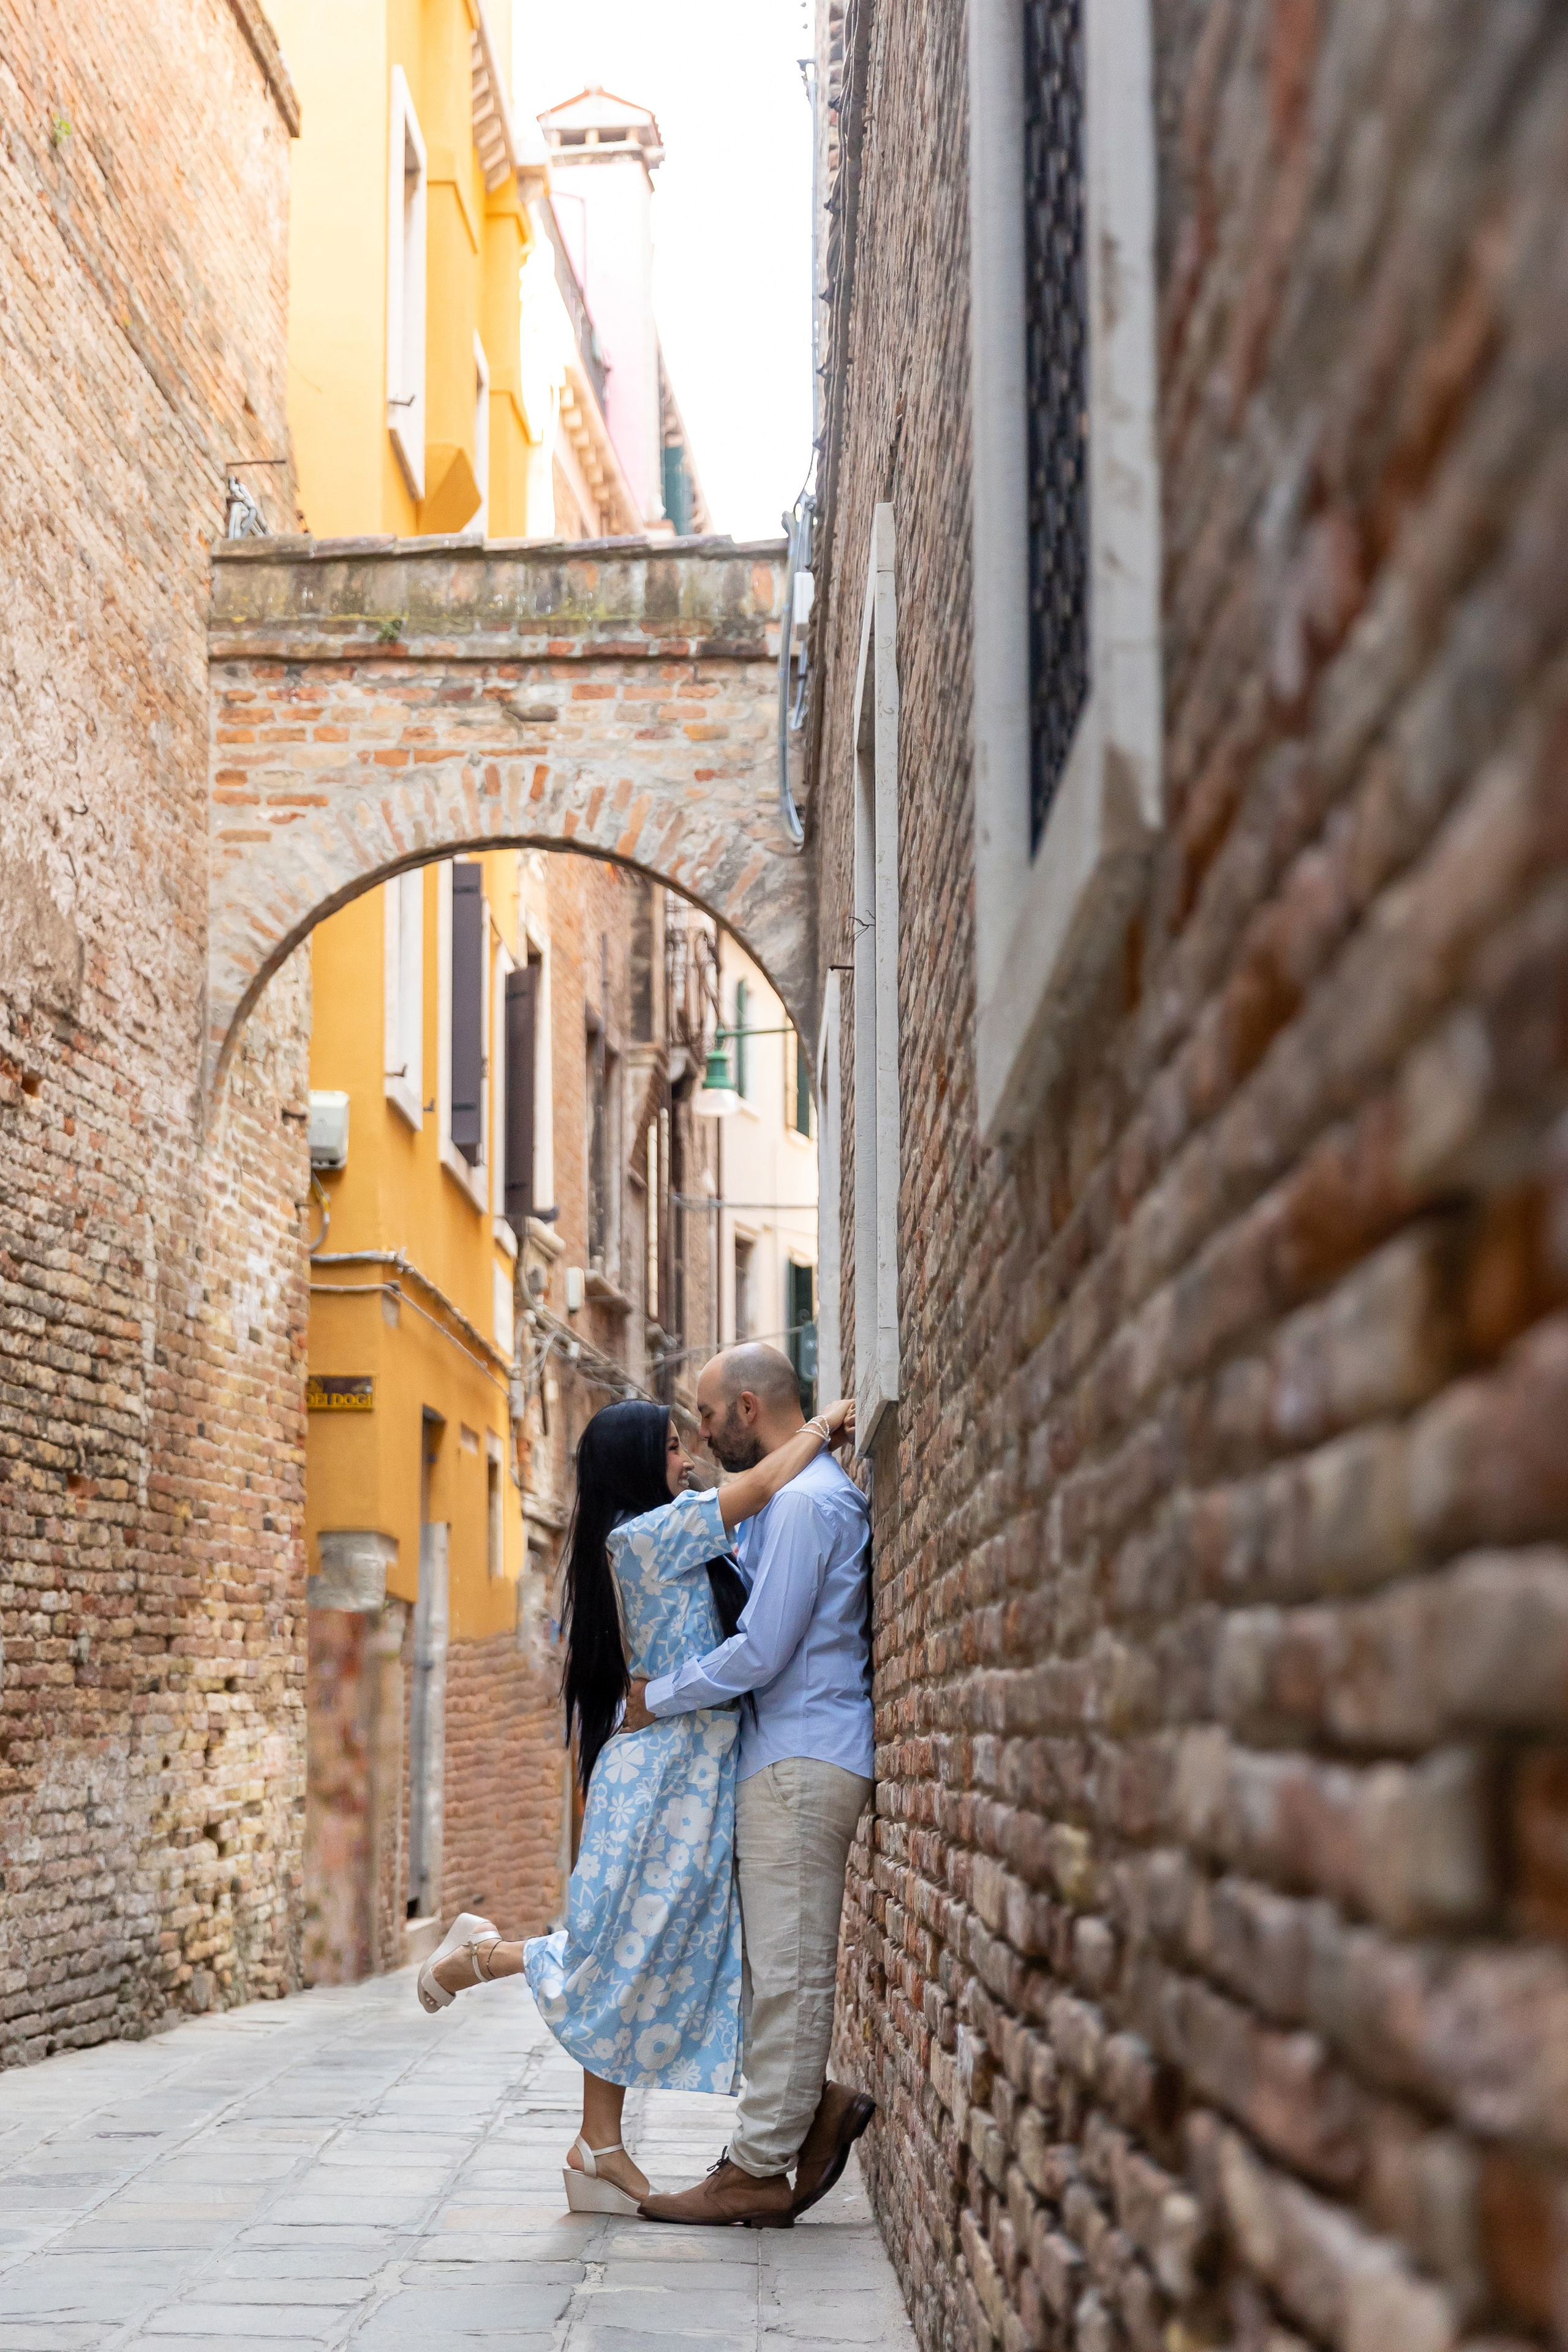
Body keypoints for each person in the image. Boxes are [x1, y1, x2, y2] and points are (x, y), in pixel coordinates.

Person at [411, 1390, 854, 2217]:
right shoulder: (646, 1535)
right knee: (626, 1950)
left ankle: (600, 2145)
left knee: (646, 1946)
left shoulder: (672, 1533)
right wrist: (823, 1429)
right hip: (659, 1780)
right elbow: (758, 1490)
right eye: (672, 1450)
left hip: (688, 1768)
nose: (687, 1462)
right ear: (635, 1465)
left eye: (686, 1448)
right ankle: (482, 1961)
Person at [622, 1343, 877, 2230]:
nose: (698, 1436)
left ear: (744, 1408)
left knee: (792, 1972)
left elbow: (764, 1652)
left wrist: (658, 1697)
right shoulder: (787, 1496)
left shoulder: (806, 1507)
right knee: (775, 1970)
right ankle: (804, 2118)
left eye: (706, 1416)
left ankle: (761, 2170)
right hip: (785, 1759)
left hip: (804, 1759)